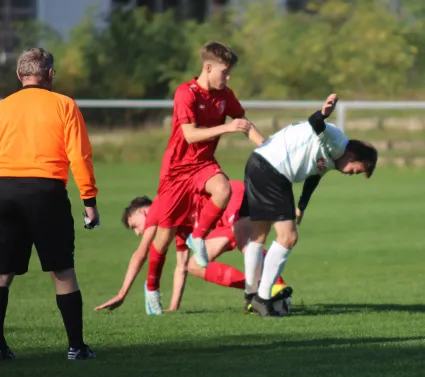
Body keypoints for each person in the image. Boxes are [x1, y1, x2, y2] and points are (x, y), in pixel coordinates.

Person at [144, 41, 265, 313]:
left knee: (224, 190)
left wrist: (268, 149)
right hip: (176, 172)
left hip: (203, 164)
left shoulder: (225, 95)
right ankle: (151, 288)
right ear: (208, 67)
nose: (228, 77)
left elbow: (244, 124)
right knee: (163, 239)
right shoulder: (185, 93)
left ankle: (198, 237)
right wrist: (227, 127)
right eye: (224, 72)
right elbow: (190, 134)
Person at [0, 48, 100, 360]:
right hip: (46, 192)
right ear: (50, 75)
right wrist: (89, 201)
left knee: (2, 272)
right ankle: (76, 347)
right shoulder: (64, 105)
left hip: (4, 192)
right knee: (62, 271)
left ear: (20, 76)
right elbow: (79, 156)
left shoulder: (3, 106)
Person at [241, 93, 378, 317]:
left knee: (258, 235)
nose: (353, 174)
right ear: (352, 155)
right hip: (274, 171)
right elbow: (315, 123)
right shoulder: (336, 139)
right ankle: (263, 298)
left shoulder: (332, 158)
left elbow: (314, 176)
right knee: (288, 238)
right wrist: (324, 112)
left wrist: (301, 206)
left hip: (258, 163)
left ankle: (250, 294)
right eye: (357, 170)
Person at [94, 181, 291, 315]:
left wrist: (122, 293)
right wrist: (172, 308)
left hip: (232, 196)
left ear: (143, 211)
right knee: (193, 265)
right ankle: (264, 289)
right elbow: (181, 267)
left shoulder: (160, 207)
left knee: (244, 240)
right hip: (224, 223)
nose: (137, 232)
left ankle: (274, 285)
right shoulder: (176, 227)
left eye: (134, 225)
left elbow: (141, 254)